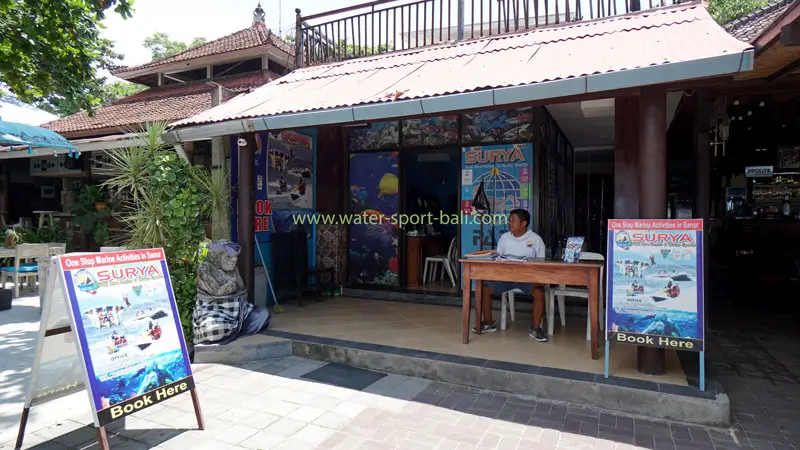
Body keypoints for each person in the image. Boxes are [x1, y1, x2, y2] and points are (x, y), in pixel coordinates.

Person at [473, 208, 548, 342]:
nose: (510, 223)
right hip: (506, 278)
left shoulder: (536, 240)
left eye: (513, 221)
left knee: (539, 292)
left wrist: (538, 279)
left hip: (527, 279)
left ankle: (535, 328)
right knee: (485, 288)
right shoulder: (505, 238)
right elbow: (498, 257)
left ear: (524, 223)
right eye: (509, 220)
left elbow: (542, 263)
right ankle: (488, 323)